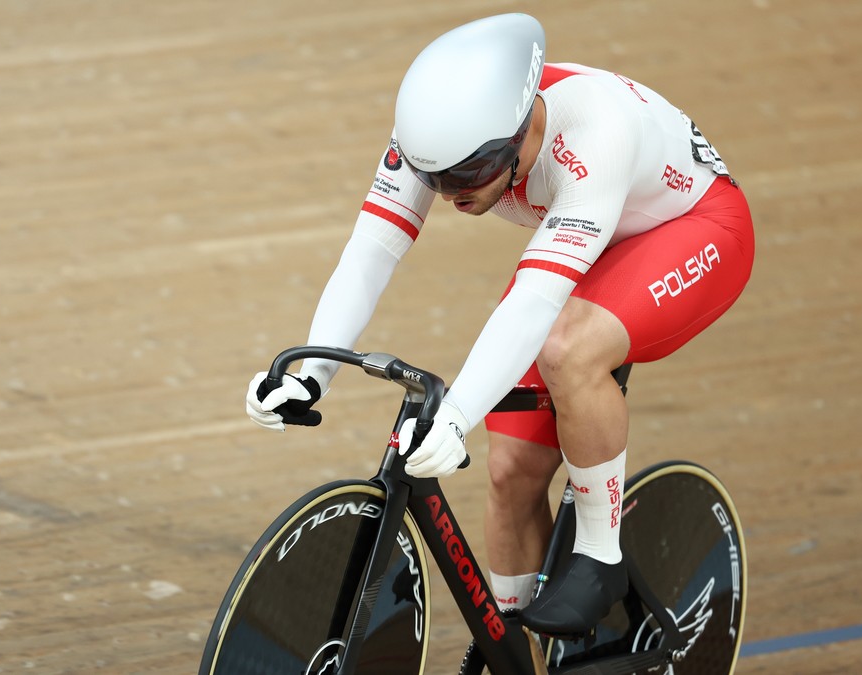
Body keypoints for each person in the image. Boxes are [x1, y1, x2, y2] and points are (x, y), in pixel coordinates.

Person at [244, 13, 754, 637]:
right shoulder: (441, 135)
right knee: (509, 471)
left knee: (569, 350)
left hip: (694, 231)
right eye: (434, 179)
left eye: (466, 177)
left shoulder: (595, 132)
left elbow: (535, 303)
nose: (450, 194)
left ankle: (602, 557)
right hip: (589, 235)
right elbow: (371, 252)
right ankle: (517, 654)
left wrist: (456, 416)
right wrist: (312, 373)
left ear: (517, 136)